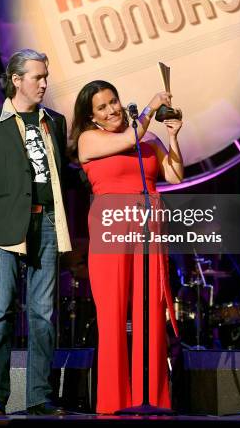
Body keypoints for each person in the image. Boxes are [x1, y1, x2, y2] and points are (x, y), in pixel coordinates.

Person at [0, 49, 72, 416]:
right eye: (37, 77)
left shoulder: (54, 121)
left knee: (43, 314)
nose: (44, 83)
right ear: (16, 80)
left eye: (46, 76)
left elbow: (65, 173)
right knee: (1, 311)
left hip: (45, 224)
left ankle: (39, 395)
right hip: (4, 226)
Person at [69, 80, 183, 413]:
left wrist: (173, 135)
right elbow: (127, 138)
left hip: (148, 225)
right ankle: (113, 403)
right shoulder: (90, 140)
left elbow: (175, 175)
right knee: (114, 317)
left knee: (150, 313)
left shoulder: (148, 139)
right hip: (111, 227)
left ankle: (151, 400)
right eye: (102, 107)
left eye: (113, 101)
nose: (111, 110)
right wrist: (149, 108)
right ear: (92, 117)